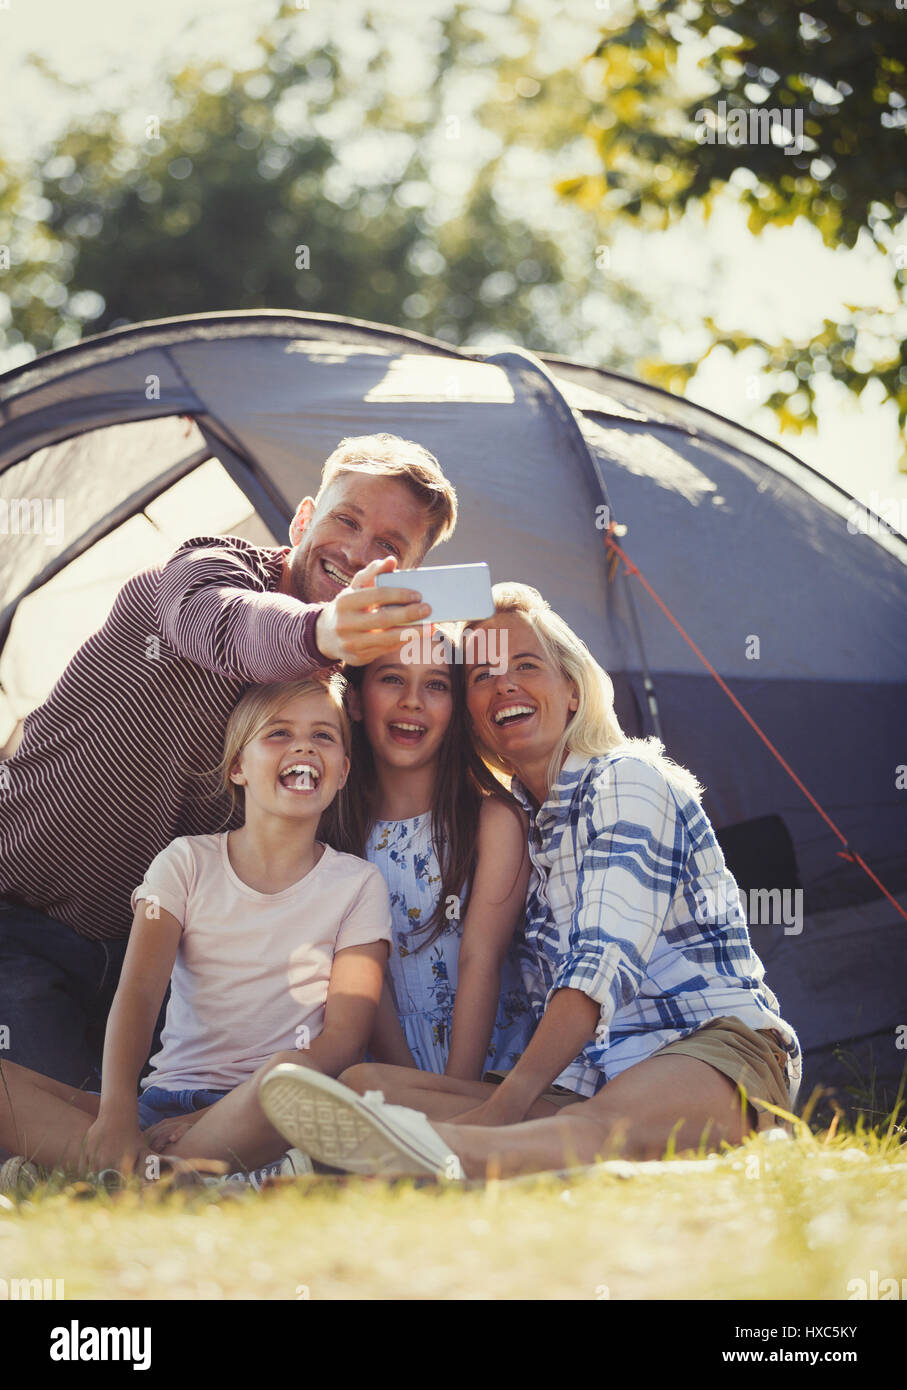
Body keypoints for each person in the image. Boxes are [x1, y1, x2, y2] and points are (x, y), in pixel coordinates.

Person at [256, 582, 803, 1179]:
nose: (505, 684)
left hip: (703, 1047)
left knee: (584, 1129)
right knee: (366, 1084)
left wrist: (499, 1109)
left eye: (525, 665)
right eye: (483, 676)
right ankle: (404, 1158)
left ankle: (387, 1167)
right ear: (473, 719)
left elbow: (599, 967)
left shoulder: (626, 780)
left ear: (571, 689)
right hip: (587, 1078)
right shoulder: (525, 823)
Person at [0, 433, 456, 1088]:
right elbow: (225, 623)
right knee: (61, 1126)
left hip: (159, 965)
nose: (357, 552)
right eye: (345, 520)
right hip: (20, 923)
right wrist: (321, 630)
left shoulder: (347, 692)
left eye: (388, 547)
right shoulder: (205, 574)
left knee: (169, 1117)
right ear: (303, 520)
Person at [0, 676, 391, 1185]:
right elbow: (140, 992)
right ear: (237, 767)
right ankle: (151, 1173)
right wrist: (117, 1113)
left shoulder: (358, 883)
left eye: (323, 736)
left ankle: (121, 1178)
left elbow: (342, 1039)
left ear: (342, 771)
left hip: (269, 1108)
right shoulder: (185, 862)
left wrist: (207, 1119)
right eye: (277, 733)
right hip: (160, 1105)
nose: (302, 746)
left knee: (284, 1077)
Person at [325, 628, 533, 1079]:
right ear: (356, 701)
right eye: (392, 679)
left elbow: (483, 958)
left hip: (487, 1070)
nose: (413, 701)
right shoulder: (333, 829)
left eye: (436, 684)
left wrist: (453, 1093)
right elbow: (364, 980)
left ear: (457, 709)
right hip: (381, 1068)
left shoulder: (493, 821)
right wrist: (411, 1085)